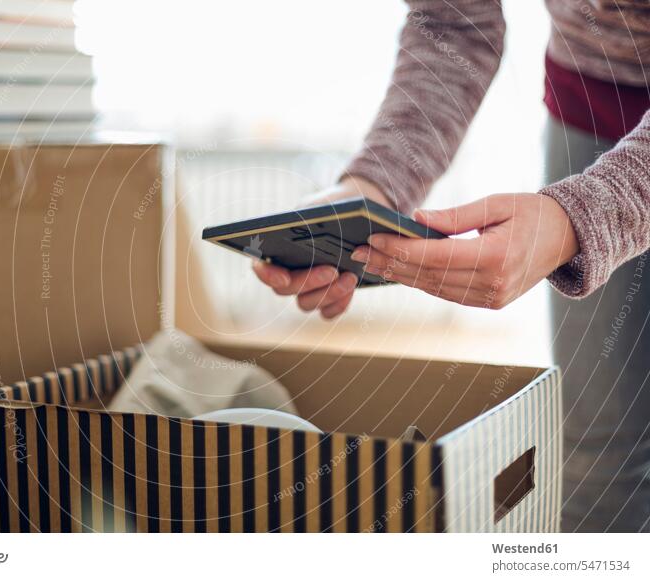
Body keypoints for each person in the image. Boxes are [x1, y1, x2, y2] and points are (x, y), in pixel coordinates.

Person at [253, 1, 650, 532]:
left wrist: (577, 220)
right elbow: (453, 22)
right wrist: (373, 186)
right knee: (595, 449)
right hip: (592, 104)